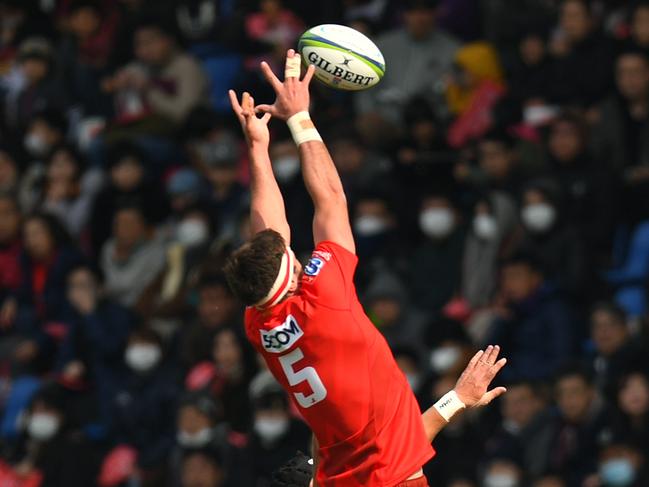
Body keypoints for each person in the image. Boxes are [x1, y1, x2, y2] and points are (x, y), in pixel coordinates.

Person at [223, 50, 507, 487]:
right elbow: (332, 203)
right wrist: (299, 118)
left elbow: (270, 232)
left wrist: (259, 149)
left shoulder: (259, 321)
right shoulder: (322, 303)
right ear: (293, 275)